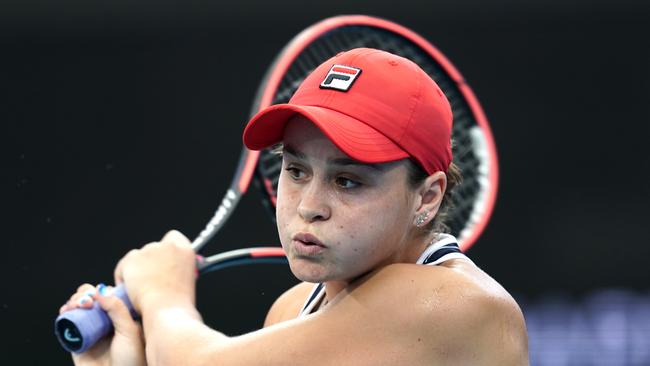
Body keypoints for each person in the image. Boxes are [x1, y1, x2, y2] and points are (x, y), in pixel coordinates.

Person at [60, 48, 529, 365]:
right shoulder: (291, 312)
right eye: (296, 170)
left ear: (426, 197)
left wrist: (162, 293)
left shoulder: (454, 304)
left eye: (347, 181)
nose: (309, 206)